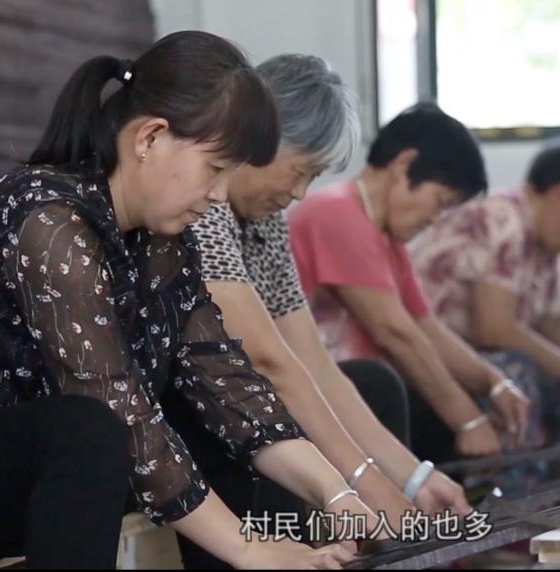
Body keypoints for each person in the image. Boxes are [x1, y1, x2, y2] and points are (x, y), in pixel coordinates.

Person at [0, 31, 373, 570]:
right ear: (150, 137)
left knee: (199, 412)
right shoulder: (49, 223)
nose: (220, 194)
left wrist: (339, 494)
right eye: (214, 168)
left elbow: (229, 384)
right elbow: (115, 408)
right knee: (89, 430)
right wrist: (250, 549)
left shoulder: (161, 243)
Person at [184, 54, 473, 568]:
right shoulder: (202, 206)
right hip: (184, 405)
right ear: (259, 136)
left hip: (233, 394)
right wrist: (366, 485)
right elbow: (269, 363)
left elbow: (313, 362)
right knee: (266, 411)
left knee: (372, 383)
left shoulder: (264, 221)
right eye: (300, 171)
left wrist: (412, 479)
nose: (300, 193)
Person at [287, 103, 534, 468]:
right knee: (388, 384)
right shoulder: (336, 213)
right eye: (439, 202)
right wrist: (467, 420)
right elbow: (394, 333)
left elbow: (426, 327)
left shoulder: (384, 235)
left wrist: (493, 382)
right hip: (307, 383)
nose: (434, 219)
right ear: (404, 166)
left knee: (445, 388)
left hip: (340, 381)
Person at [410, 138, 560, 427]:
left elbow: (554, 322)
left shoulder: (540, 245)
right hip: (428, 353)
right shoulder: (502, 219)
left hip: (464, 353)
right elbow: (495, 330)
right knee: (528, 373)